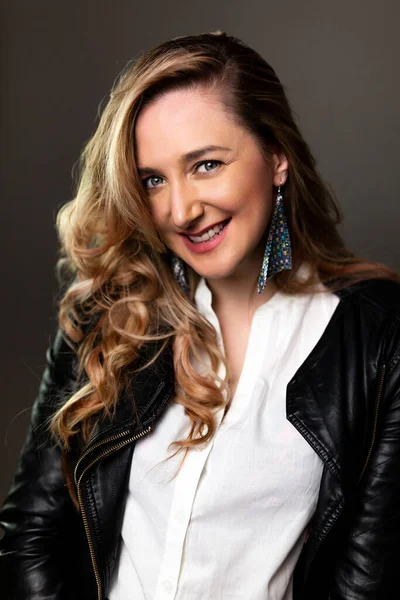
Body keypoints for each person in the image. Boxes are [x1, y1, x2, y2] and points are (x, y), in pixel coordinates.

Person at [1, 29, 400, 600]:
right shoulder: (111, 314)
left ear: (277, 157)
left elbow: (366, 582)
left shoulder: (378, 340)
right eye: (154, 180)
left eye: (207, 164)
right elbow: (30, 538)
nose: (181, 210)